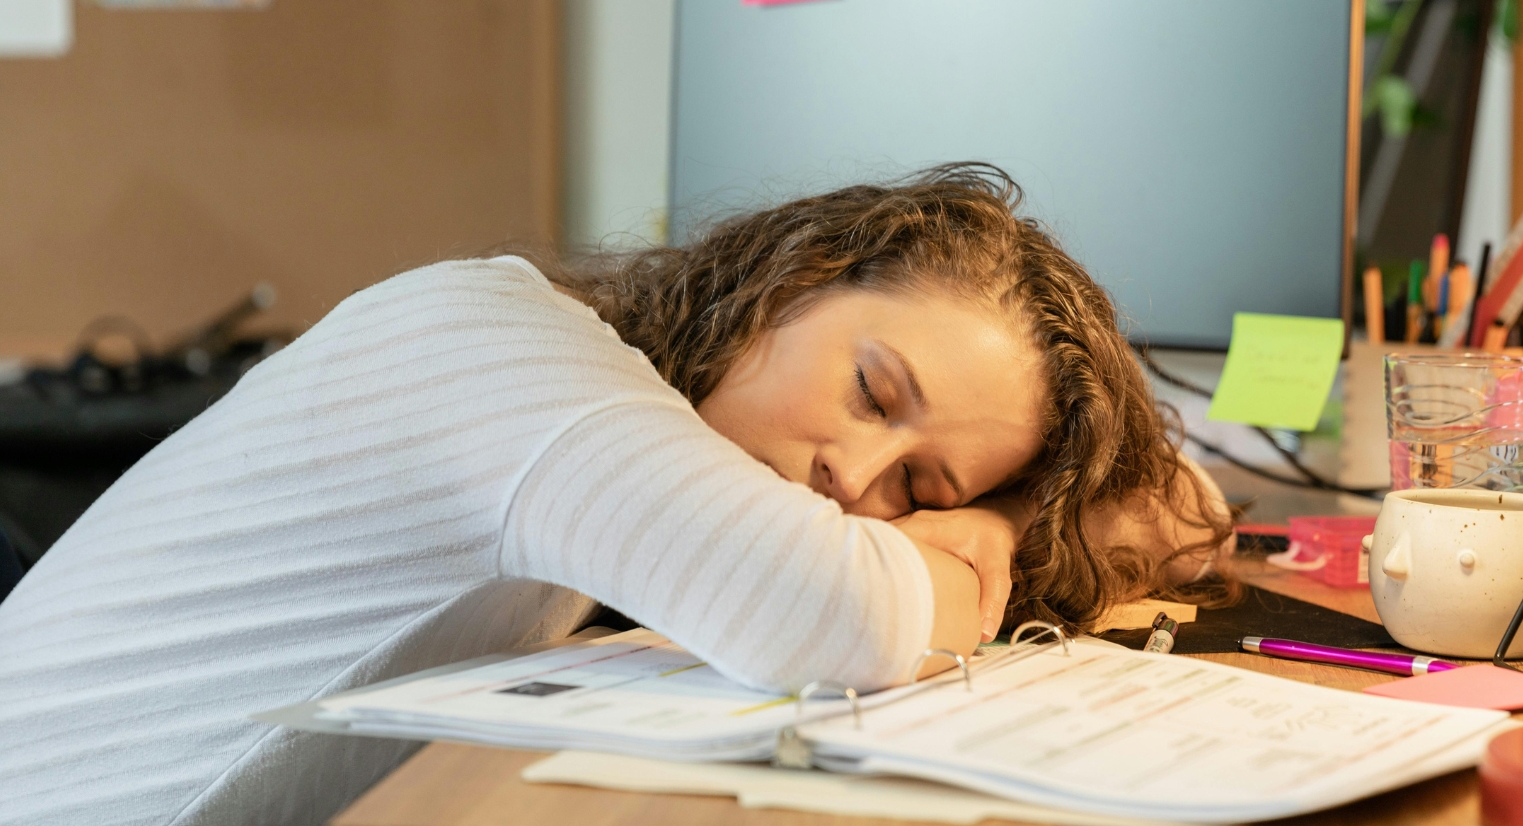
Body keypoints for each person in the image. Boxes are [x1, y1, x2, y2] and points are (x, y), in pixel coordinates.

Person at [0, 165, 1228, 825]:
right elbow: (832, 615)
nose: (850, 480)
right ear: (790, 282)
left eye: (917, 483)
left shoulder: (604, 400)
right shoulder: (509, 350)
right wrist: (995, 523)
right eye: (869, 389)